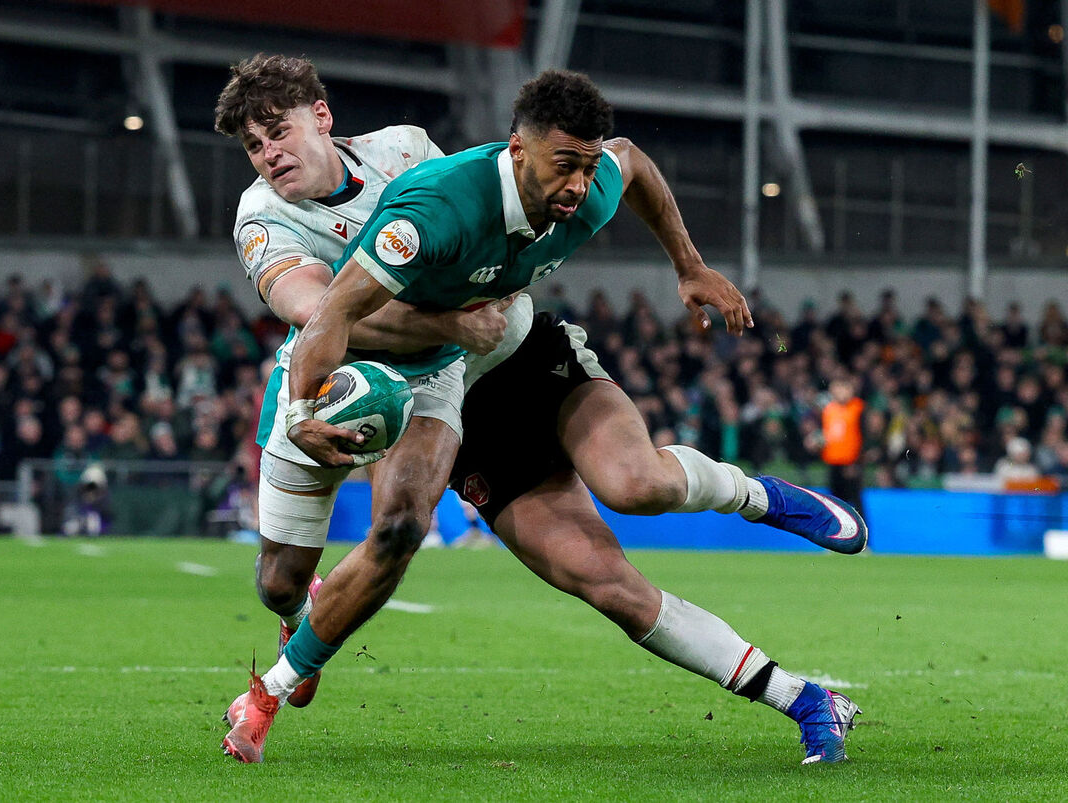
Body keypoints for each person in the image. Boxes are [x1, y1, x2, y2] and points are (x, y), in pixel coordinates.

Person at [215, 57, 865, 765]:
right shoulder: (354, 212)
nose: (270, 153)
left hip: (512, 358)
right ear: (519, 151)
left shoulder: (446, 159)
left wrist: (688, 265)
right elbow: (323, 314)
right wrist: (450, 327)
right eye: (255, 144)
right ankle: (296, 623)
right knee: (301, 574)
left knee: (633, 487)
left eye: (278, 132)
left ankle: (760, 508)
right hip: (398, 374)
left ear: (322, 116)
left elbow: (632, 163)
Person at [821, 377, 865, 513]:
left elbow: (864, 435)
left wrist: (856, 462)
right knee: (834, 502)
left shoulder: (858, 408)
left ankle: (861, 532)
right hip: (833, 461)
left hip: (851, 463)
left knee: (855, 502)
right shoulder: (829, 410)